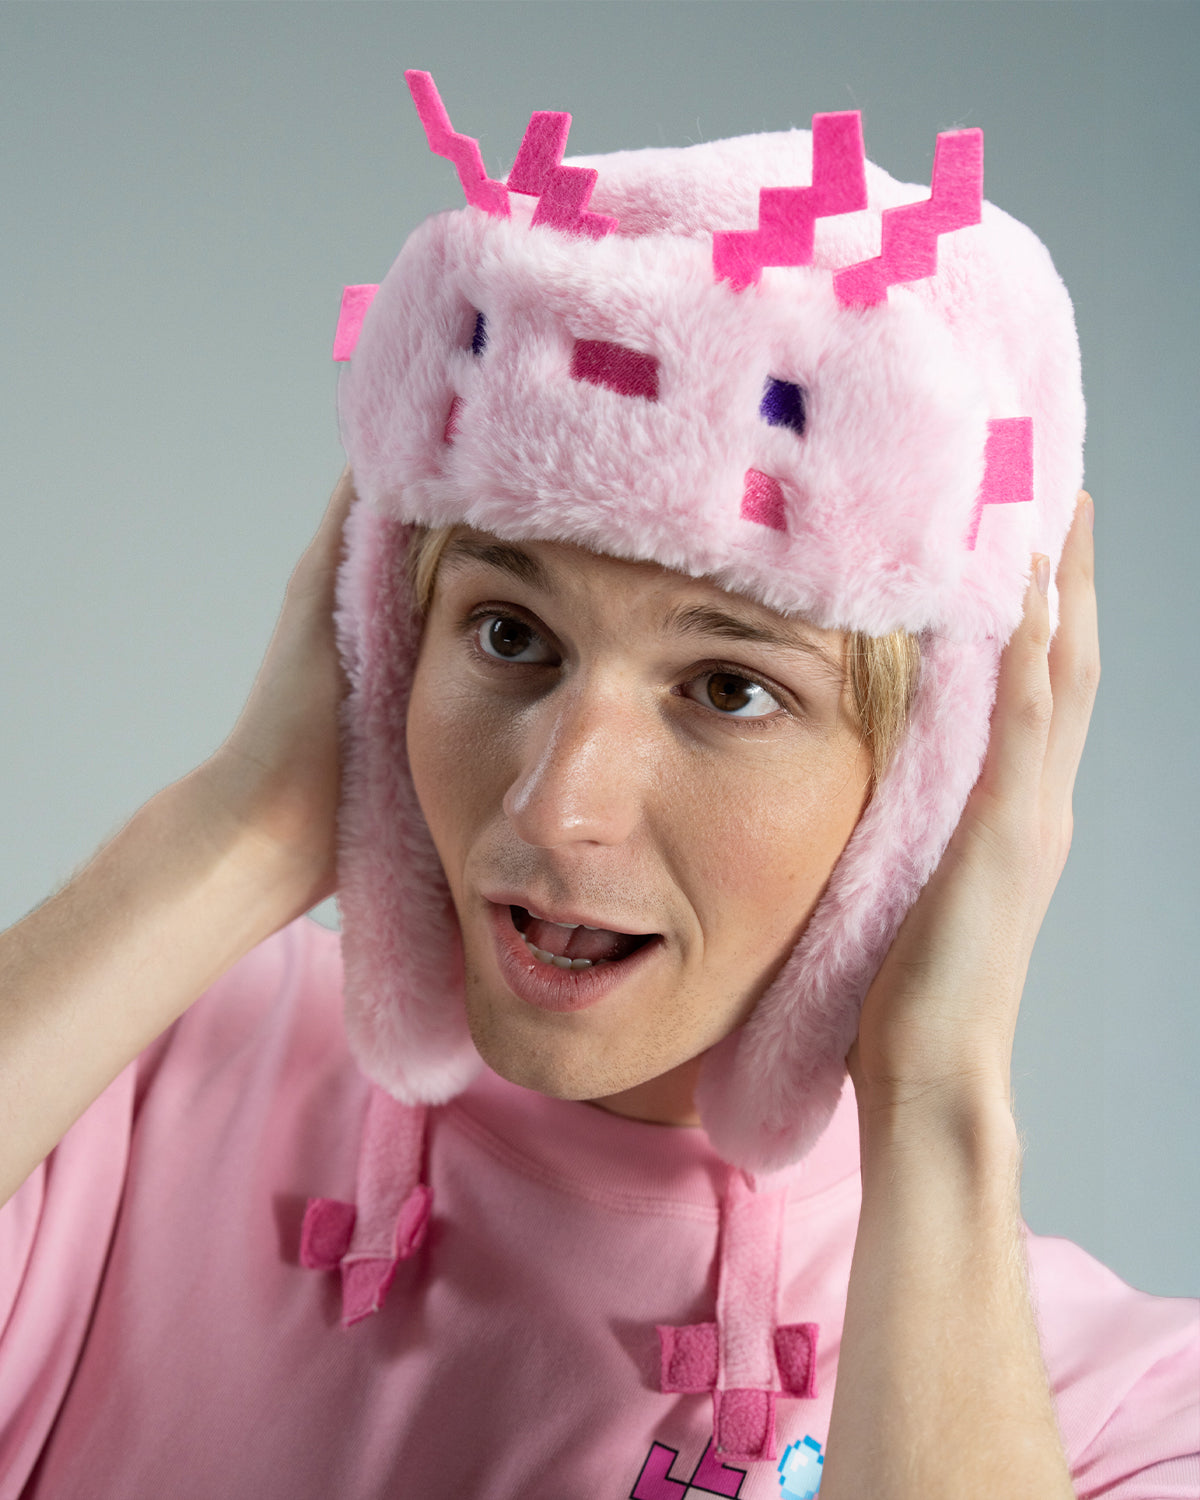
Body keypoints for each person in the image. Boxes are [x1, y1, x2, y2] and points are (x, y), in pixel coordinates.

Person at [1, 72, 1196, 1500]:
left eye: (730, 688)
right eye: (511, 635)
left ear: (933, 787)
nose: (557, 806)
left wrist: (937, 1095)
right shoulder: (127, 1060)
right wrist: (243, 829)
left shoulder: (1115, 1406)